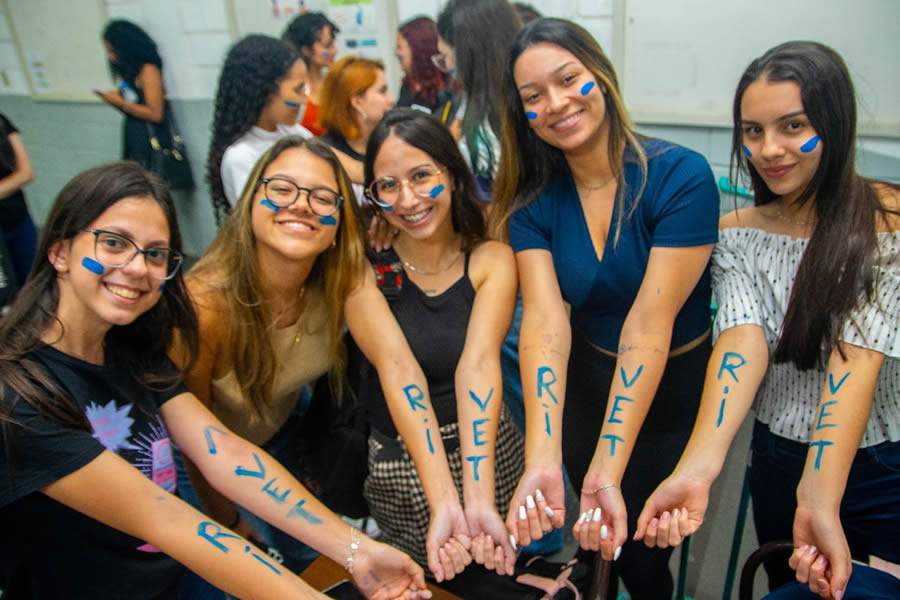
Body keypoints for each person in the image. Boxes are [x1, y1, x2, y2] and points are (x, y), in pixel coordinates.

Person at [0, 161, 430, 600]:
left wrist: (355, 549)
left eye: (154, 254)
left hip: (177, 582)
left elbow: (221, 449)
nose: (135, 267)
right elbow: (165, 517)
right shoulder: (18, 397)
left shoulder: (132, 348)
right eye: (113, 243)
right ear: (58, 251)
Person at [635, 41, 900, 600]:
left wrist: (820, 495)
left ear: (835, 121)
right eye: (752, 131)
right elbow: (741, 344)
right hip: (777, 457)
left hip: (879, 467)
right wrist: (697, 469)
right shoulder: (737, 230)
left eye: (792, 125)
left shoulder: (887, 221)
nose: (769, 149)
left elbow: (856, 360)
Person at [489, 18, 719, 600]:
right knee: (598, 545)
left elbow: (649, 323)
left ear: (601, 77)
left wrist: (607, 467)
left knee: (646, 550)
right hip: (588, 383)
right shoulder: (534, 204)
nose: (556, 103)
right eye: (533, 97)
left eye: (569, 80)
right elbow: (543, 324)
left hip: (672, 385)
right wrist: (545, 460)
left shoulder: (680, 175)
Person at [357, 108, 536, 597]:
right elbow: (399, 371)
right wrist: (444, 503)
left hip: (487, 447)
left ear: (452, 176)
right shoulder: (362, 267)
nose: (408, 200)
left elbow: (477, 366)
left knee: (500, 578)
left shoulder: (490, 259)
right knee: (424, 584)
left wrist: (476, 498)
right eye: (387, 186)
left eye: (421, 176)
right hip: (404, 461)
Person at [207, 35, 312, 224]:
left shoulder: (298, 134)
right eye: (298, 90)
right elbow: (263, 222)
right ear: (265, 90)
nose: (304, 100)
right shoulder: (241, 156)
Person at [436, 0, 522, 198]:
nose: (447, 66)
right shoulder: (477, 94)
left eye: (445, 56)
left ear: (468, 54)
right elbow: (452, 135)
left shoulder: (506, 115)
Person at [96, 21, 189, 189]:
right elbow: (132, 107)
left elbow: (155, 113)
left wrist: (121, 103)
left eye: (112, 50)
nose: (110, 57)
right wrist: (115, 102)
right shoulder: (128, 71)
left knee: (151, 186)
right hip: (136, 136)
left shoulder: (148, 70)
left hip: (151, 139)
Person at [318, 56, 395, 191]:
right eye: (382, 91)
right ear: (357, 102)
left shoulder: (393, 140)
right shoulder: (321, 153)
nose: (392, 100)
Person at [282, 13, 340, 137]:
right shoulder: (291, 91)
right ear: (306, 50)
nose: (335, 51)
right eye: (327, 46)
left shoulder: (336, 84)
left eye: (333, 44)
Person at [0, 112, 36, 292]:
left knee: (33, 278)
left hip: (17, 216)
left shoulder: (2, 120)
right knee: (3, 288)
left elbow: (26, 172)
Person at [395, 17, 449, 114]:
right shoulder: (408, 84)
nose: (396, 52)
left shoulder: (446, 90)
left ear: (417, 48)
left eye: (399, 46)